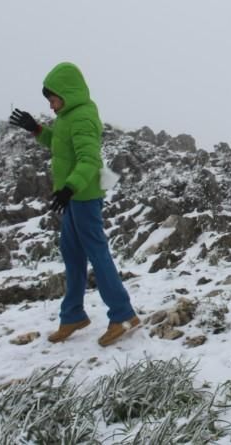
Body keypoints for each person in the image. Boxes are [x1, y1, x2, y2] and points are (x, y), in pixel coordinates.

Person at [9, 62, 139, 347]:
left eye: (53, 99)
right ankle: (73, 315)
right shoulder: (68, 117)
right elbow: (60, 144)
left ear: (67, 93)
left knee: (97, 254)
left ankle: (123, 314)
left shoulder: (82, 117)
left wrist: (70, 188)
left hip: (83, 198)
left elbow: (89, 160)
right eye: (49, 101)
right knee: (72, 253)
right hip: (73, 199)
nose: (51, 105)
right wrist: (36, 129)